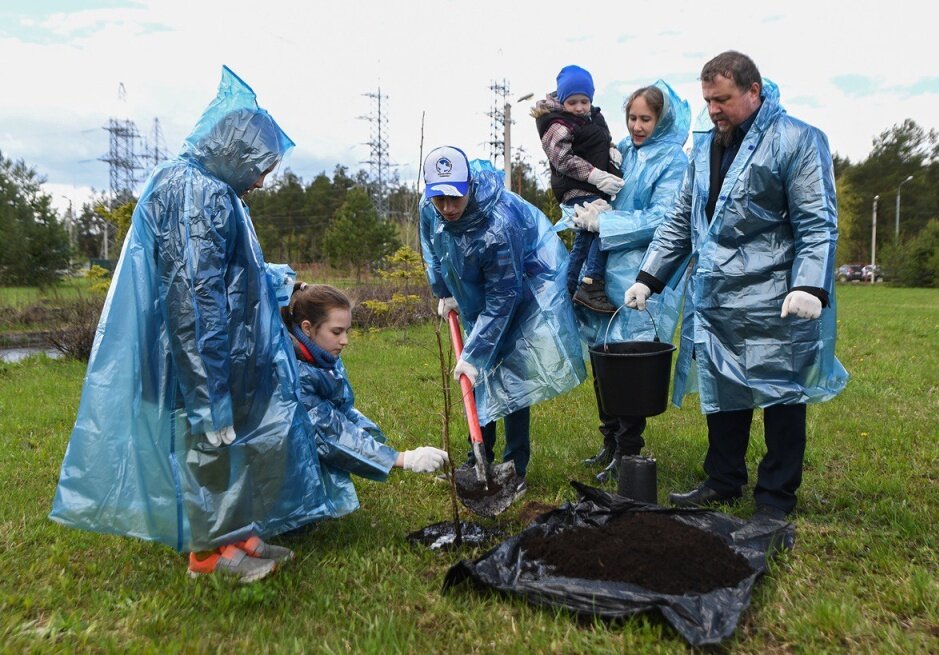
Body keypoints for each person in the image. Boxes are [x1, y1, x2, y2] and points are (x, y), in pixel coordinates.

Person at [51, 67, 339, 583]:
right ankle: (208, 557)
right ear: (236, 152)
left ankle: (237, 536)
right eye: (260, 166)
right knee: (206, 443)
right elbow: (193, 298)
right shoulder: (194, 192)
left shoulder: (213, 189)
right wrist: (208, 393)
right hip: (192, 359)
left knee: (226, 448)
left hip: (214, 355)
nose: (263, 179)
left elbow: (231, 279)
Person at [625, 51, 848, 521]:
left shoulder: (797, 140)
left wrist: (811, 284)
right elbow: (681, 219)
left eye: (722, 100)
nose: (714, 110)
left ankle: (775, 495)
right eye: (707, 101)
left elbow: (817, 221)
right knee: (724, 388)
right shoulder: (706, 148)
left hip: (777, 297)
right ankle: (724, 478)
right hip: (718, 297)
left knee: (782, 393)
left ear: (754, 91)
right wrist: (649, 277)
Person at [419, 146, 586, 490]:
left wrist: (475, 352)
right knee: (477, 376)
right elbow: (432, 249)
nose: (448, 208)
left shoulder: (498, 226)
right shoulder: (429, 209)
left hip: (525, 285)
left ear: (469, 187)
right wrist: (442, 290)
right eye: (440, 200)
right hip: (474, 289)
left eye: (455, 198)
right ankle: (477, 458)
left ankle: (515, 463)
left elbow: (504, 296)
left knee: (510, 375)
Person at [568, 81, 690, 483]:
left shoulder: (672, 161)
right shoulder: (624, 150)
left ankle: (628, 449)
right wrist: (585, 213)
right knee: (602, 357)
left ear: (662, 119)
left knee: (631, 363)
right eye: (632, 118)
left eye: (645, 119)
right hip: (602, 271)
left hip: (643, 273)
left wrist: (608, 222)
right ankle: (609, 441)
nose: (637, 126)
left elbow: (665, 219)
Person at [284, 282, 449, 514]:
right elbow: (329, 432)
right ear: (307, 327)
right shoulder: (295, 374)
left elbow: (339, 409)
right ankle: (292, 508)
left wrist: (369, 436)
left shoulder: (319, 356)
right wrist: (402, 459)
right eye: (336, 331)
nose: (345, 341)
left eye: (347, 331)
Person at [531, 64, 625, 314]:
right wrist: (594, 175)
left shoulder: (592, 117)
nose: (580, 107)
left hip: (592, 187)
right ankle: (591, 283)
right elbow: (561, 158)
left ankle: (569, 286)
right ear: (562, 101)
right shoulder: (557, 123)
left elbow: (598, 139)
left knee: (586, 236)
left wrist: (611, 149)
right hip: (576, 188)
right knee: (602, 226)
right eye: (573, 102)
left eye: (584, 101)